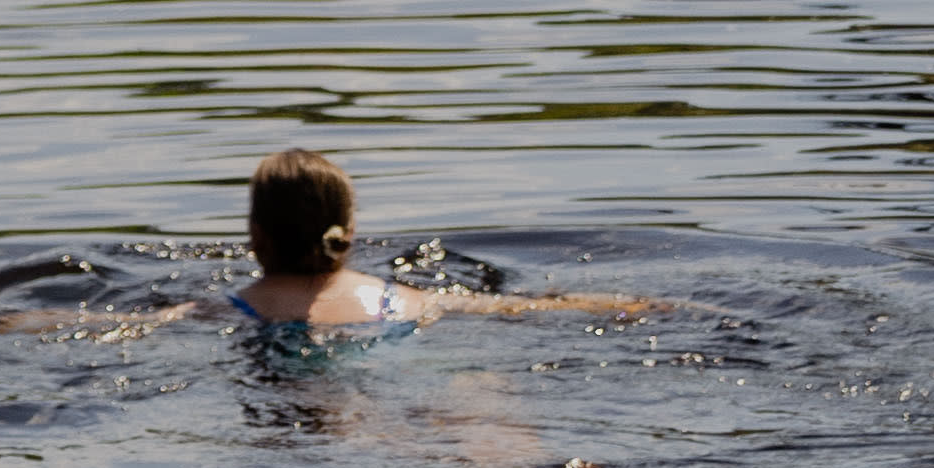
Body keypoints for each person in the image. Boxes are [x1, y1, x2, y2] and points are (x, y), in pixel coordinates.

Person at [230, 142, 657, 345]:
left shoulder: (225, 309)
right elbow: (529, 309)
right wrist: (640, 304)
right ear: (349, 231)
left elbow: (161, 326)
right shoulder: (408, 301)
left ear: (257, 234)